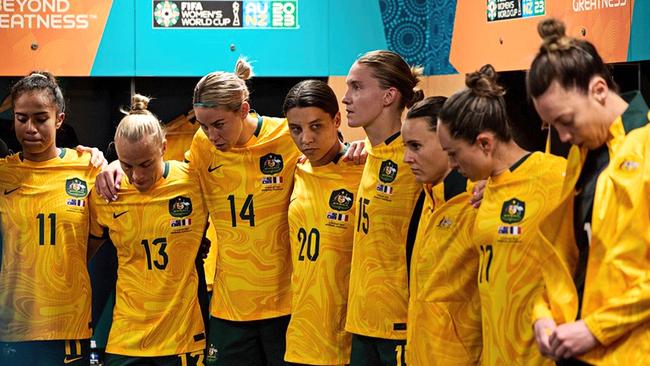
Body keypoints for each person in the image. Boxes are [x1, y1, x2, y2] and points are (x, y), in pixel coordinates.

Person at [528, 18, 650, 365]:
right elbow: (564, 258)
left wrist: (595, 328)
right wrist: (542, 314)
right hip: (571, 350)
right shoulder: (581, 158)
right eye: (553, 126)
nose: (562, 136)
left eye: (567, 121)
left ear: (598, 90)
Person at [437, 64, 566, 366]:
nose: (451, 165)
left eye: (454, 153)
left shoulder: (557, 178)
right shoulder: (485, 189)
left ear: (484, 143)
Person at [88, 94, 208, 366]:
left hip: (182, 336)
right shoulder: (106, 193)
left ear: (164, 147)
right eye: (127, 165)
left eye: (145, 164)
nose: (137, 176)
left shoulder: (194, 181)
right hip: (126, 336)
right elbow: (82, 253)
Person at [0, 72, 103, 366]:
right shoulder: (3, 173)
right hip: (11, 326)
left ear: (59, 119)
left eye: (40, 118)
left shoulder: (88, 168)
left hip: (67, 323)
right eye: (21, 118)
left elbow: (93, 240)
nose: (30, 128)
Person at [342, 50, 424, 366]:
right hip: (361, 323)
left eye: (357, 88)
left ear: (389, 95)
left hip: (401, 326)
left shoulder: (417, 158)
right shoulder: (366, 155)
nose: (346, 98)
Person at [282, 80, 364, 365]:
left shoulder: (363, 168)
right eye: (296, 129)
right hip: (301, 338)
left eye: (316, 126)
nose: (306, 139)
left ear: (337, 119)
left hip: (348, 340)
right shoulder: (296, 168)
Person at [401, 96, 482, 365]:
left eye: (415, 146)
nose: (406, 158)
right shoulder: (426, 198)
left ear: (449, 142)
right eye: (405, 146)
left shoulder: (478, 202)